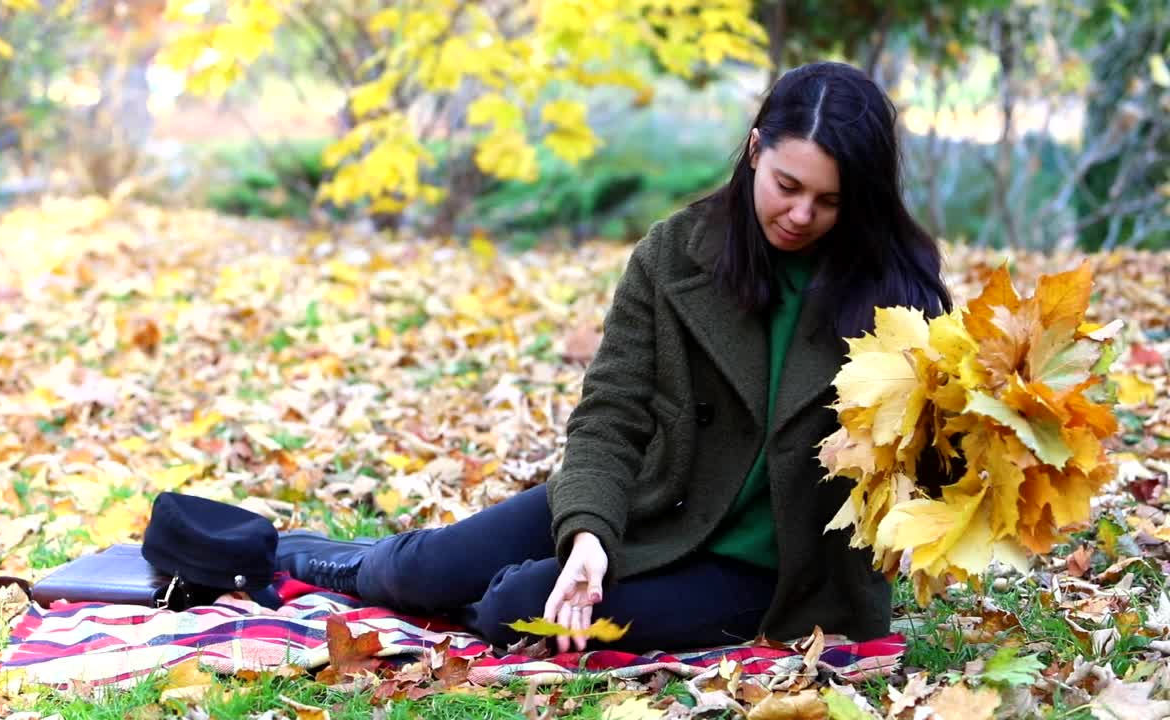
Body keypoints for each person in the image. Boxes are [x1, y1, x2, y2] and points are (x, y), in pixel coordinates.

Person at [277, 62, 952, 655]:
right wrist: (589, 533)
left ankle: (470, 585)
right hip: (650, 496)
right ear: (754, 151)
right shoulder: (675, 254)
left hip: (766, 570)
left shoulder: (903, 297)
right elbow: (612, 410)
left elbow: (935, 478)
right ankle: (290, 556)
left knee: (517, 610)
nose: (801, 214)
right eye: (786, 184)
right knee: (419, 573)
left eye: (828, 201)